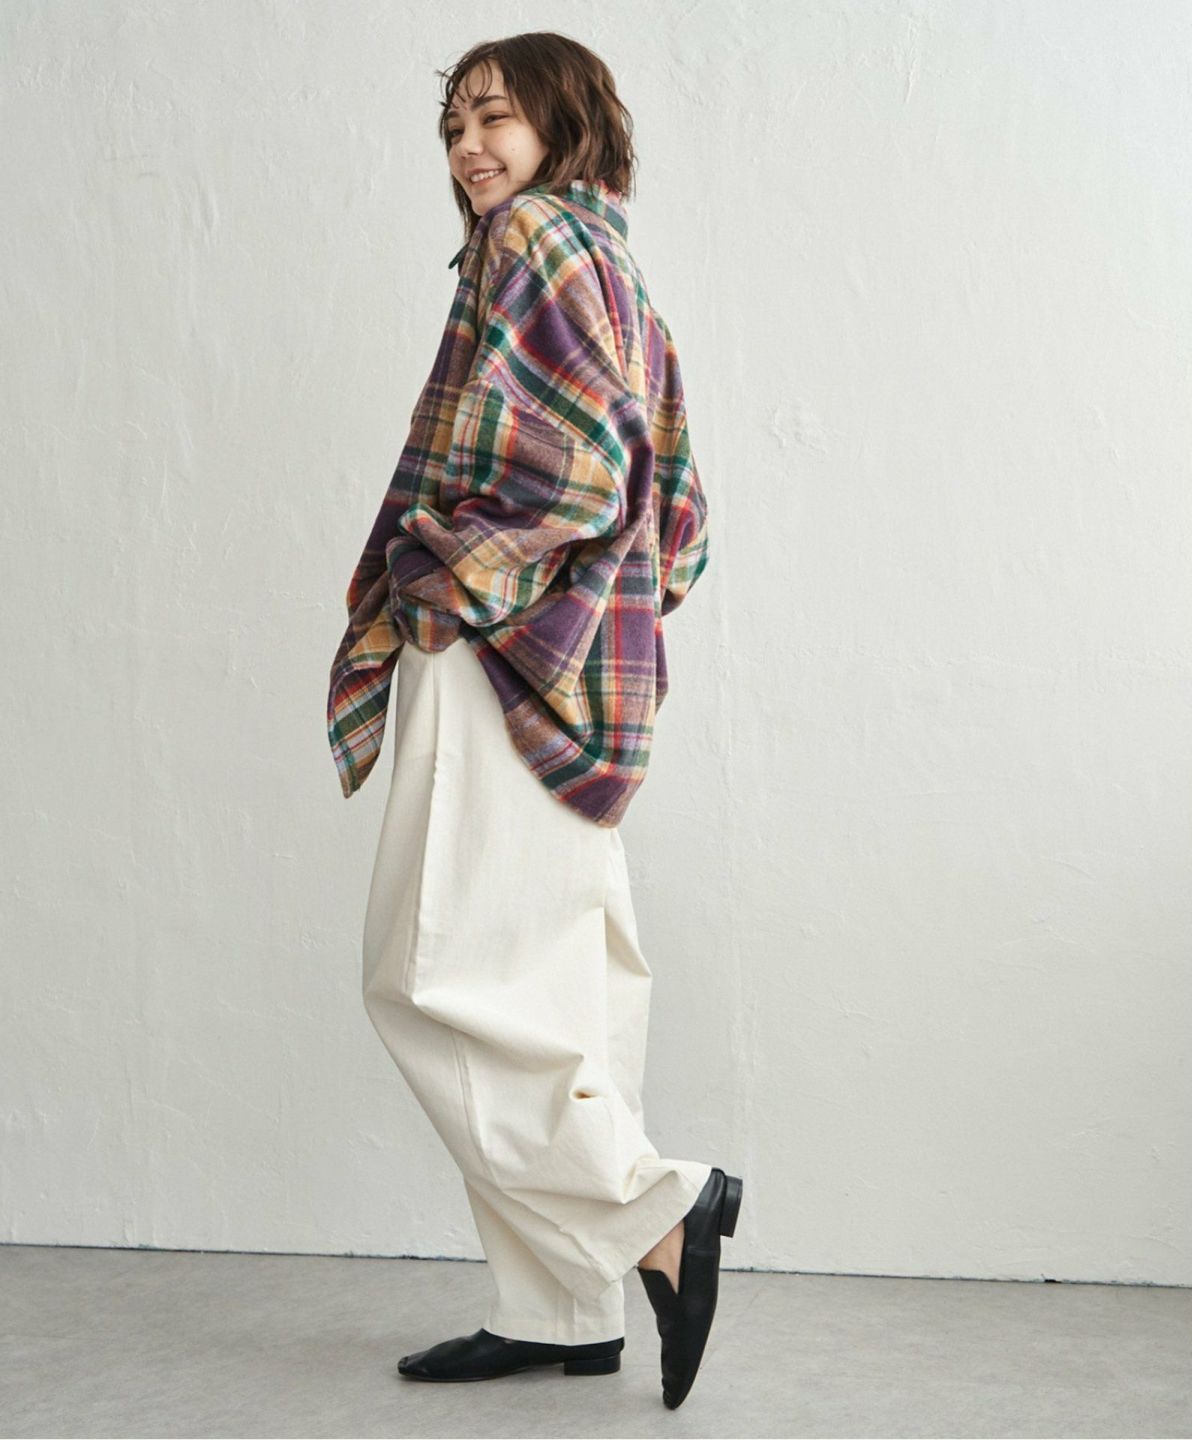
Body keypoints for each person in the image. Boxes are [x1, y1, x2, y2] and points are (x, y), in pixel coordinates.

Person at [326, 31, 742, 1411]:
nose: (468, 149)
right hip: (584, 678)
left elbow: (582, 476)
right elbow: (677, 516)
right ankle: (560, 1308)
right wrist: (597, 610)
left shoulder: (532, 242)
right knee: (564, 990)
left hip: (498, 661)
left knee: (426, 975)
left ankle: (656, 1212)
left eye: (494, 117)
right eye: (454, 128)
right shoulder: (615, 262)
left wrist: (453, 580)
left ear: (565, 121)